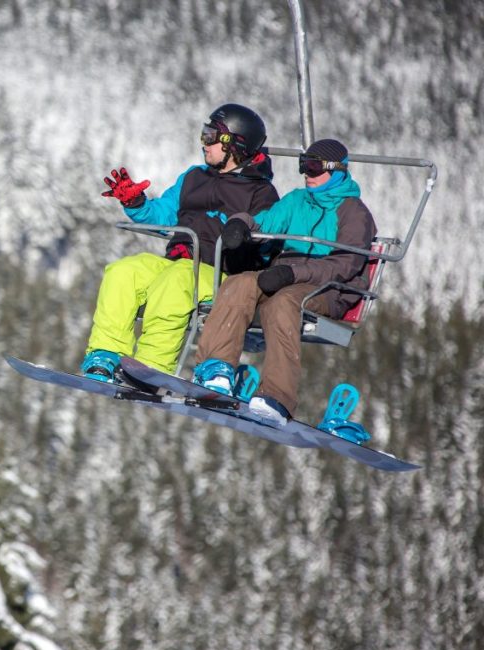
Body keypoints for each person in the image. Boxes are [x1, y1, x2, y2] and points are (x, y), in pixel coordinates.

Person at [81, 103, 279, 382]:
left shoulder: (261, 193)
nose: (204, 143)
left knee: (176, 281)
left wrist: (246, 238)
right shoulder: (193, 178)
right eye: (204, 134)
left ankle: (151, 367)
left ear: (234, 144)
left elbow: (269, 239)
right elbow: (162, 215)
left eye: (211, 136)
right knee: (124, 271)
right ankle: (106, 354)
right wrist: (136, 203)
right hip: (180, 261)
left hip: (220, 273)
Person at [192, 138, 377, 426]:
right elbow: (266, 221)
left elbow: (345, 264)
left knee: (283, 303)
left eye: (314, 167)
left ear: (337, 171)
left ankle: (277, 396)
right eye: (303, 166)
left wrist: (294, 274)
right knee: (239, 283)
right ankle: (216, 369)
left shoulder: (354, 213)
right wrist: (241, 223)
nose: (307, 174)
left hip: (330, 288)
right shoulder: (296, 200)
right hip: (286, 274)